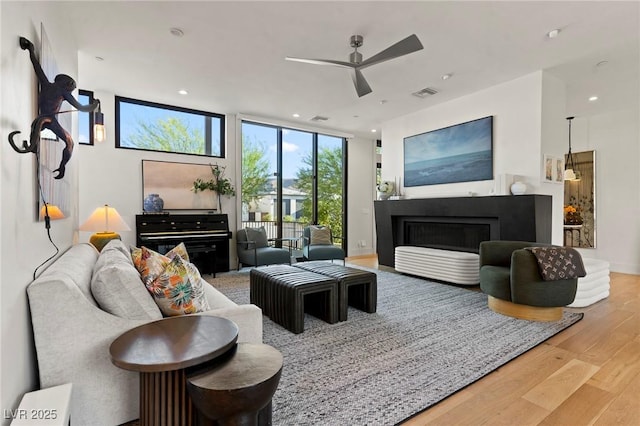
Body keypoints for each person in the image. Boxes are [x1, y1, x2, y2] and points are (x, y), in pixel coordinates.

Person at [9, 37, 99, 179]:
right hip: (49, 119)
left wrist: (30, 49)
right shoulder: (63, 92)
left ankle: (33, 146)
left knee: (49, 135)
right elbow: (81, 108)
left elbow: (37, 67)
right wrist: (94, 105)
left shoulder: (46, 84)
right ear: (67, 84)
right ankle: (61, 165)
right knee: (70, 142)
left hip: (43, 118)